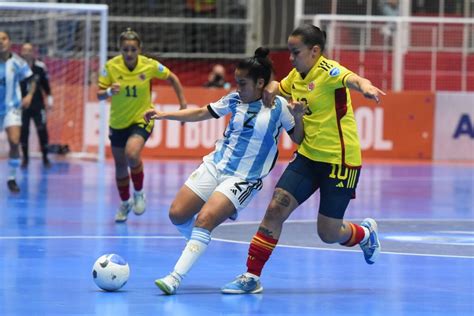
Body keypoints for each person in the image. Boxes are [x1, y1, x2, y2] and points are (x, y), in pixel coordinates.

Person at [221, 24, 384, 294]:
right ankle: (251, 276)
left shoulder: (329, 72)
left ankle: (365, 234)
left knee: (328, 233)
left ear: (315, 50)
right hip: (308, 156)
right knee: (275, 209)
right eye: (289, 52)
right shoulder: (297, 75)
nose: (291, 58)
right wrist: (273, 86)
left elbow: (353, 79)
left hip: (339, 161)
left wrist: (365, 86)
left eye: (295, 52)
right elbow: (280, 86)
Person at [144, 47, 306, 295]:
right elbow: (200, 113)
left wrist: (298, 117)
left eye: (242, 83)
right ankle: (200, 236)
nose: (238, 87)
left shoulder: (278, 107)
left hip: (244, 178)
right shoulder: (234, 99)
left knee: (204, 219)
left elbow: (297, 138)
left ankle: (175, 277)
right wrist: (163, 114)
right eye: (236, 82)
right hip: (215, 165)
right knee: (177, 214)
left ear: (260, 83)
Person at [97, 28, 187, 222]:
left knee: (132, 153)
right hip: (118, 121)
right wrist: (109, 92)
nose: (129, 54)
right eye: (125, 50)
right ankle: (125, 202)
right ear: (120, 49)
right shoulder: (111, 67)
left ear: (139, 49)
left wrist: (183, 105)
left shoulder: (149, 65)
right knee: (120, 165)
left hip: (142, 118)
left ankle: (139, 192)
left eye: (133, 49)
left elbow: (173, 78)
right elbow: (99, 94)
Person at [0, 31, 35, 193]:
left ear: (10, 42)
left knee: (14, 142)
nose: (1, 42)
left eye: (4, 39)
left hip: (11, 108)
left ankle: (11, 178)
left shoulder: (17, 62)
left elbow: (32, 79)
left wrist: (29, 95)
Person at [20, 42, 53, 168]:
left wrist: (50, 99)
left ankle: (45, 158)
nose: (27, 52)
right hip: (22, 106)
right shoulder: (17, 67)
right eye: (24, 50)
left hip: (38, 105)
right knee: (24, 132)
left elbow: (46, 85)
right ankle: (25, 159)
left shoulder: (40, 67)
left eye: (29, 50)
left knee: (42, 130)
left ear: (33, 52)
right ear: (21, 52)